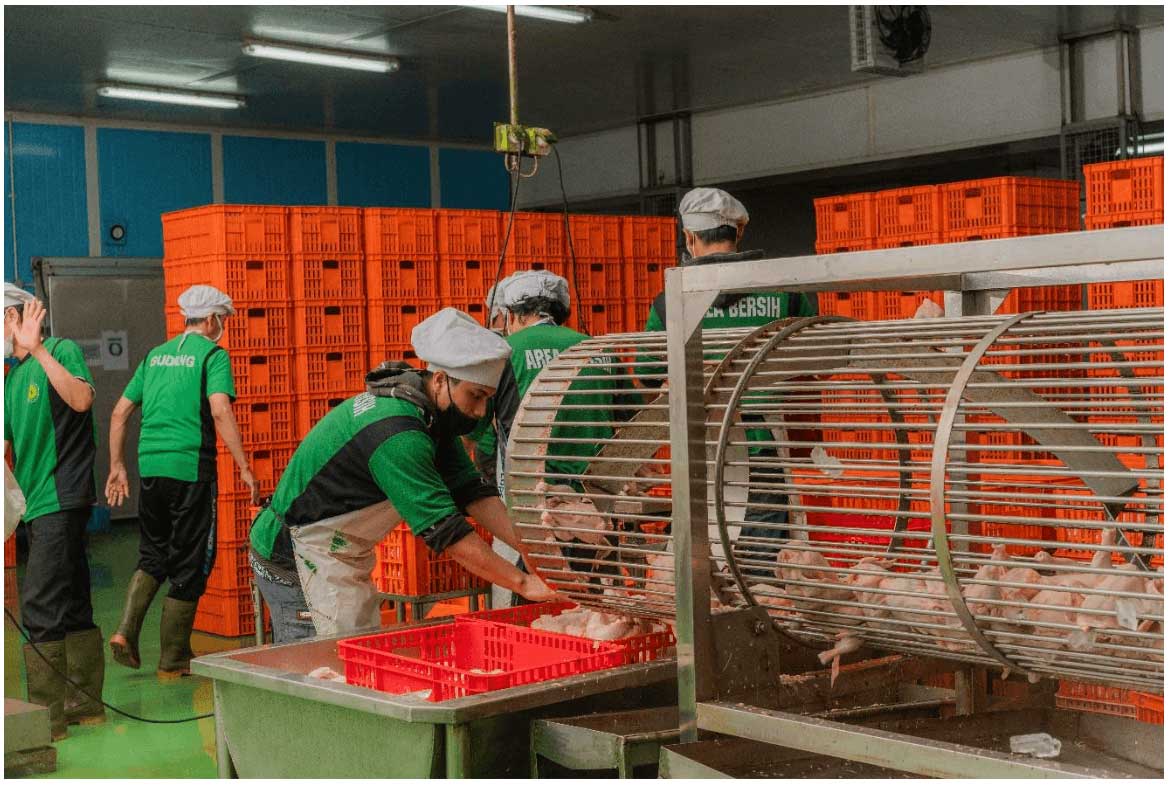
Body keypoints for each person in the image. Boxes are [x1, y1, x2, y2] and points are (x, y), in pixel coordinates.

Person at [248, 308, 558, 642]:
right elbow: (445, 530)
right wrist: (523, 583)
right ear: (440, 380)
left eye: (488, 400)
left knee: (353, 652)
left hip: (337, 552)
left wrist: (530, 550)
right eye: (476, 396)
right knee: (321, 663)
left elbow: (472, 492)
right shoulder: (398, 433)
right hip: (297, 552)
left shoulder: (431, 418)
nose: (481, 412)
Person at [638, 188, 819, 574]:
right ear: (739, 232)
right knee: (761, 567)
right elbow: (817, 361)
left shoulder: (669, 302)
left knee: (706, 561)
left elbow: (649, 375)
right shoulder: (784, 293)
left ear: (689, 237)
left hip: (699, 451)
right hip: (762, 445)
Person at [105, 285, 258, 679]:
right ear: (211, 320)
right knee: (192, 560)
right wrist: (244, 466)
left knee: (153, 553)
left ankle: (125, 630)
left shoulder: (155, 356)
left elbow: (119, 413)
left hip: (151, 468)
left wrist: (117, 465)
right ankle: (174, 656)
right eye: (222, 320)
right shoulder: (212, 356)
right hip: (191, 469)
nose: (222, 327)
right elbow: (220, 410)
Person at [488, 270, 636, 606]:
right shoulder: (599, 349)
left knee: (537, 605)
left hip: (536, 508)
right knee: (596, 606)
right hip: (597, 507)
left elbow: (483, 436)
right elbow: (631, 419)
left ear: (514, 315)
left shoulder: (506, 351)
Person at [3, 283, 104, 739]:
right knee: (74, 598)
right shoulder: (11, 380)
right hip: (36, 503)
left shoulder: (60, 351)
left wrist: (39, 349)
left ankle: (46, 720)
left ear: (15, 317)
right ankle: (86, 701)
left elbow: (81, 400)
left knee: (40, 604)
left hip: (61, 497)